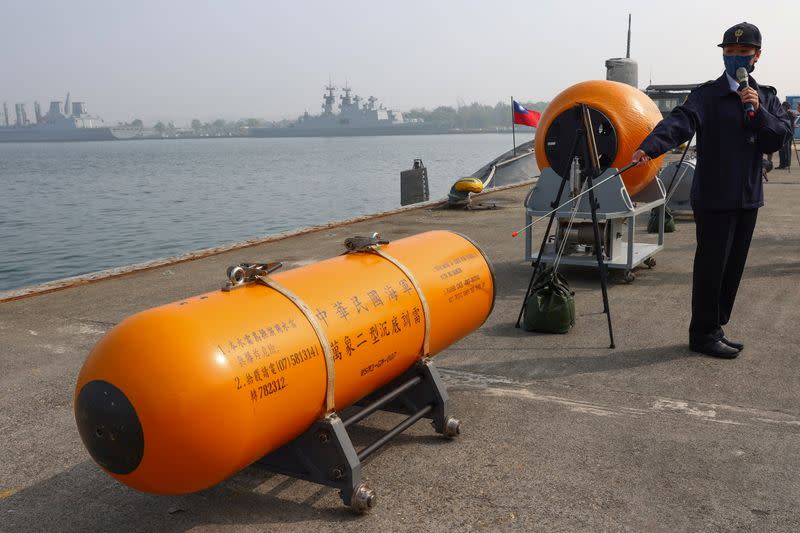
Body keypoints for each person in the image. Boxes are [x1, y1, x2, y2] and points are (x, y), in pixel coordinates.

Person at [631, 22, 792, 358]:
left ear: (756, 56)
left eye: (742, 53)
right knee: (711, 267)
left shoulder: (766, 97)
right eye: (729, 53)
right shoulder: (707, 96)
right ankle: (702, 334)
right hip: (715, 196)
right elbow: (679, 121)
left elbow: (777, 138)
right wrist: (651, 146)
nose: (735, 58)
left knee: (733, 267)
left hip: (748, 197)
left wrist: (759, 112)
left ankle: (716, 326)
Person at [777, 101, 795, 168]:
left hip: (786, 134)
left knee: (784, 150)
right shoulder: (790, 114)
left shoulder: (787, 114)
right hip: (789, 133)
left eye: (783, 106)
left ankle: (783, 164)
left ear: (786, 107)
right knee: (786, 150)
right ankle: (786, 164)